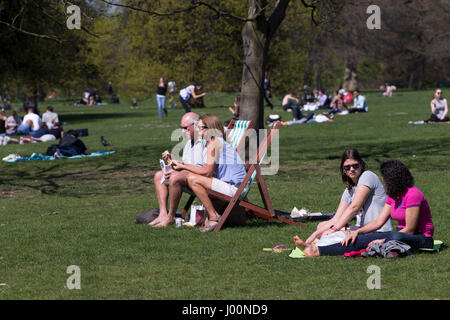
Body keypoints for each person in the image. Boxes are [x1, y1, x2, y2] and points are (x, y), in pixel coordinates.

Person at [293, 148, 393, 257]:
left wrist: (334, 229)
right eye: (347, 167)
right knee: (321, 226)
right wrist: (315, 234)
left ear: (361, 165)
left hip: (378, 231)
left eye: (355, 166)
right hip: (362, 229)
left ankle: (316, 249)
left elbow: (354, 207)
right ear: (343, 169)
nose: (352, 169)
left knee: (337, 233)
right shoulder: (349, 190)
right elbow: (336, 218)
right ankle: (319, 243)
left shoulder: (368, 176)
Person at [172, 114, 247, 232]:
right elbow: (205, 168)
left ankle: (214, 216)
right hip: (228, 185)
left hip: (235, 189)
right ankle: (212, 215)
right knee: (193, 177)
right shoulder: (213, 142)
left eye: (201, 127)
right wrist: (182, 164)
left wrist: (183, 166)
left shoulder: (214, 143)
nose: (197, 130)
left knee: (192, 179)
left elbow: (207, 172)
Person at [342, 160, 435, 252]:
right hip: (399, 234)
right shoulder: (393, 196)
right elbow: (378, 222)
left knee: (393, 236)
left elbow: (410, 230)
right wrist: (358, 231)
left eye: (384, 178)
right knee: (365, 238)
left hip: (420, 237)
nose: (383, 182)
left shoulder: (413, 194)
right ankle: (330, 249)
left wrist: (384, 240)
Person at [149, 112, 207, 227]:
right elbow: (185, 164)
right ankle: (162, 214)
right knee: (159, 176)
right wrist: (172, 161)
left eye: (185, 128)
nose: (182, 131)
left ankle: (170, 217)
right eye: (181, 128)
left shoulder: (204, 142)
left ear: (196, 126)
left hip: (200, 181)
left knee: (175, 177)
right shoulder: (189, 143)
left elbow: (205, 170)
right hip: (188, 177)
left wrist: (179, 170)